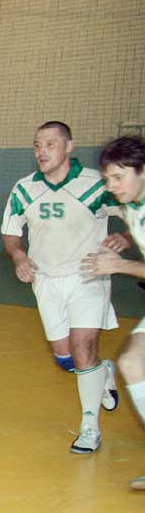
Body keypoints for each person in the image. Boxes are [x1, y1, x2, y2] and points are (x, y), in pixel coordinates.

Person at [0, 121, 126, 454]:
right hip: (46, 280)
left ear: (69, 147)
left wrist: (125, 237)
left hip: (89, 275)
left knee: (84, 349)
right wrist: (18, 255)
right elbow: (11, 232)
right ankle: (103, 371)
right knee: (66, 358)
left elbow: (134, 211)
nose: (41, 151)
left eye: (50, 144)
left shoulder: (96, 184)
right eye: (37, 145)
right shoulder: (24, 189)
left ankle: (89, 427)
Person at [80, 135, 145, 488]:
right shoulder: (132, 203)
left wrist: (119, 265)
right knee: (132, 362)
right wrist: (126, 237)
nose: (111, 186)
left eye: (119, 177)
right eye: (107, 178)